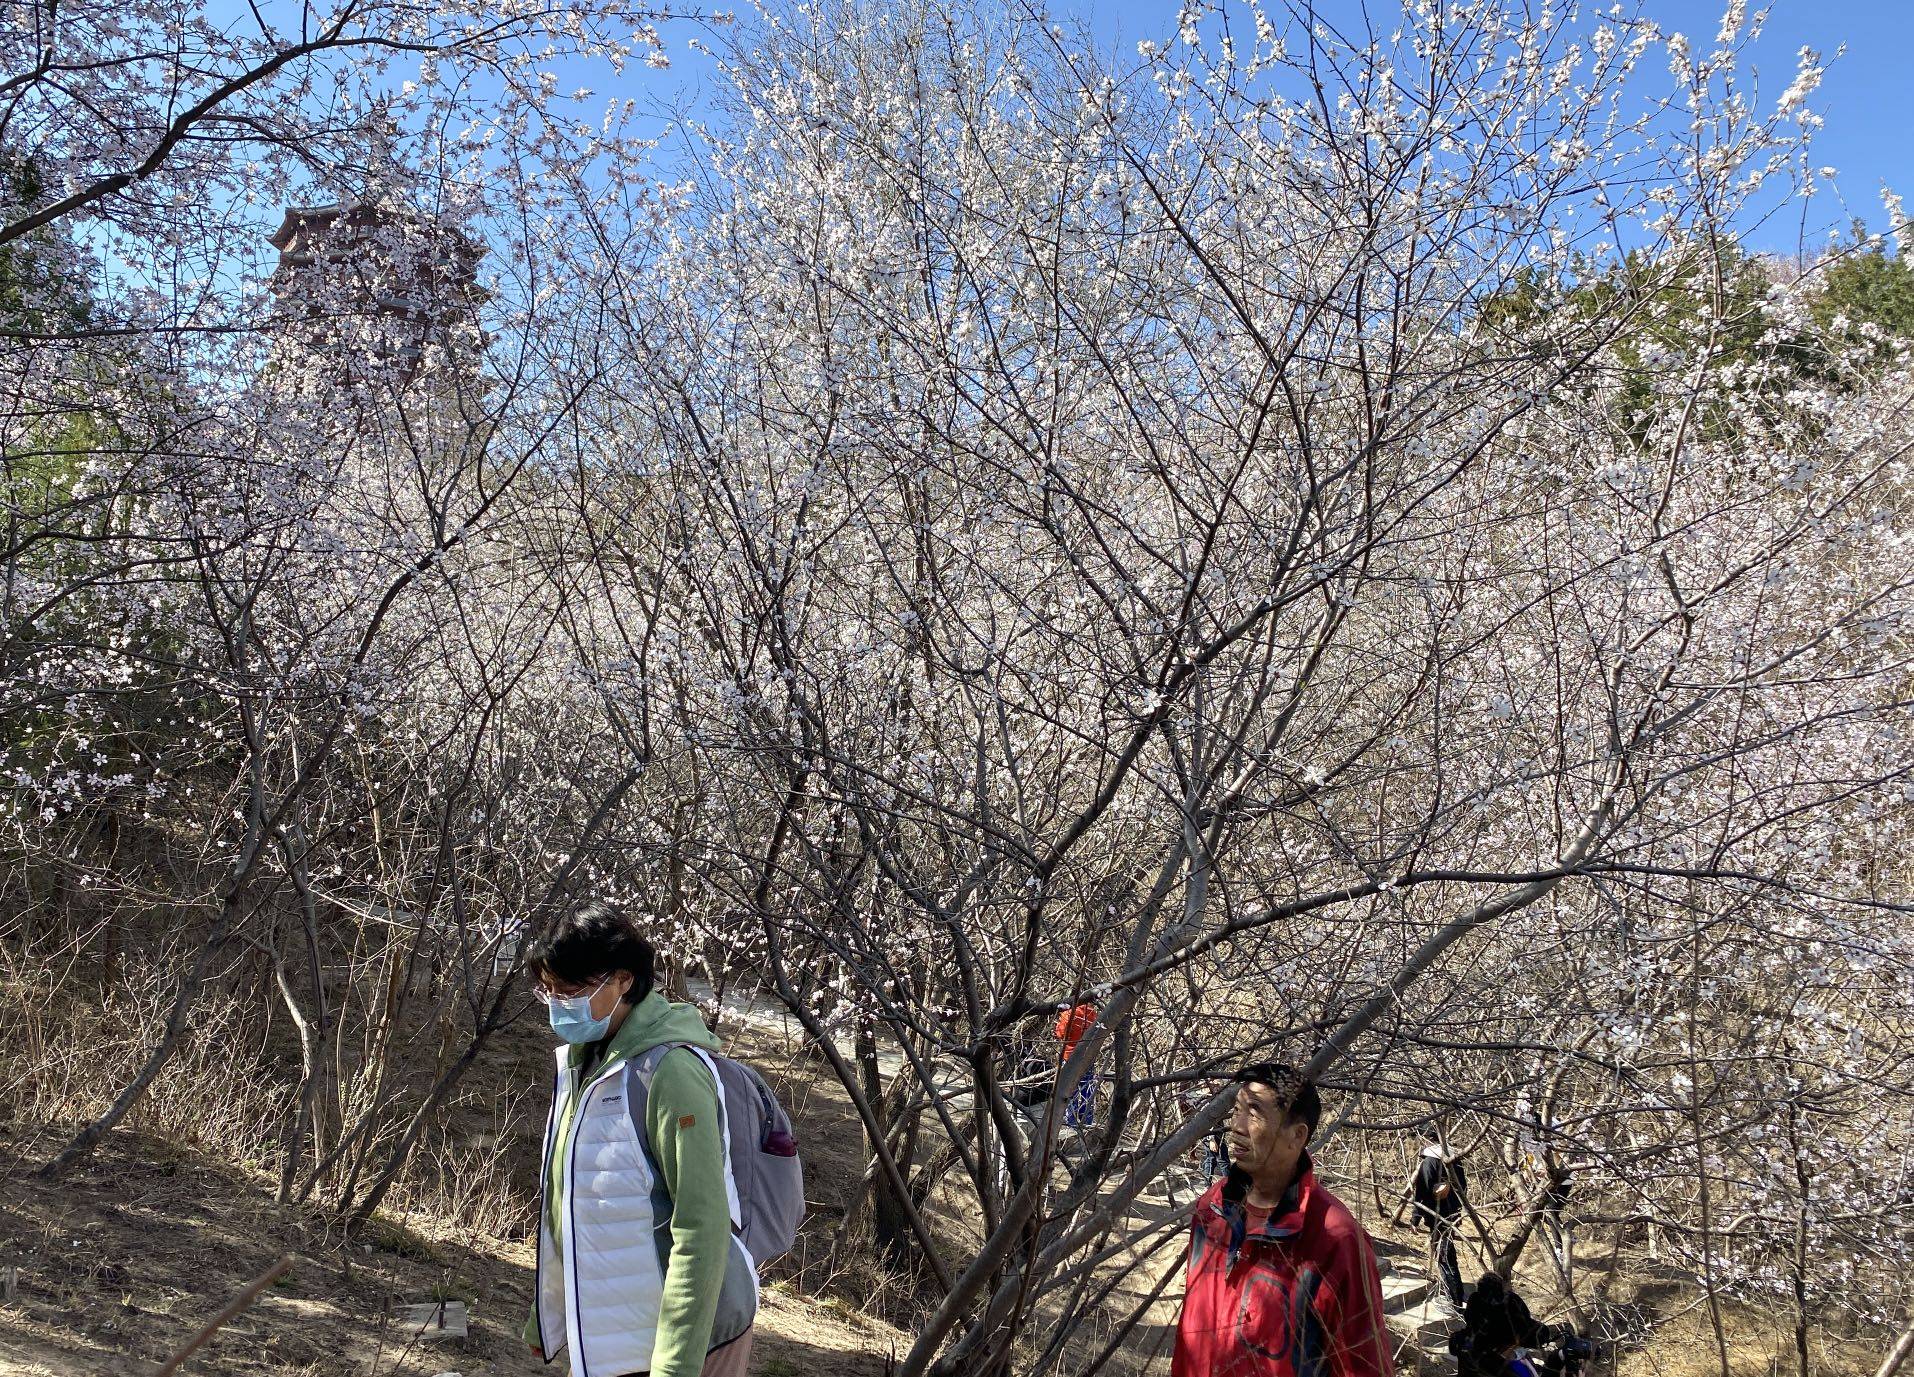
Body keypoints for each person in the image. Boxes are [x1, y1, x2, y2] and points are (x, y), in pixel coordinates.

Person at [522, 899, 758, 1377]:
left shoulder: (672, 1072)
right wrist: (543, 1320)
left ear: (624, 980)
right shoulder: (583, 1061)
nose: (559, 1004)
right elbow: (565, 1199)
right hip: (615, 1329)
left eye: (571, 990)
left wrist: (676, 1364)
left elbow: (703, 1224)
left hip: (688, 1338)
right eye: (549, 992)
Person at [1171, 1063, 1392, 1377]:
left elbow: (1364, 1364)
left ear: (1297, 1136)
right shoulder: (1213, 1207)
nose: (1236, 1126)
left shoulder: (1335, 1239)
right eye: (1236, 1110)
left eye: (1255, 1112)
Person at [1400, 1127, 1468, 1312]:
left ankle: (1453, 1299)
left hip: (1437, 1215)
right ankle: (1456, 1294)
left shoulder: (1429, 1162)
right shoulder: (1455, 1160)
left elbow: (1422, 1193)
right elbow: (1463, 1187)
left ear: (1427, 1141)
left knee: (1444, 1256)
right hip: (1451, 1214)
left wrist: (1415, 1219)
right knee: (1447, 1253)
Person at [1055, 999, 1099, 1129]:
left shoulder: (1069, 1014)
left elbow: (1061, 1034)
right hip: (1088, 1056)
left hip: (1070, 1057)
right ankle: (1087, 1121)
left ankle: (1071, 1122)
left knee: (1069, 1090)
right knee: (1086, 1089)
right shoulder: (1093, 1014)